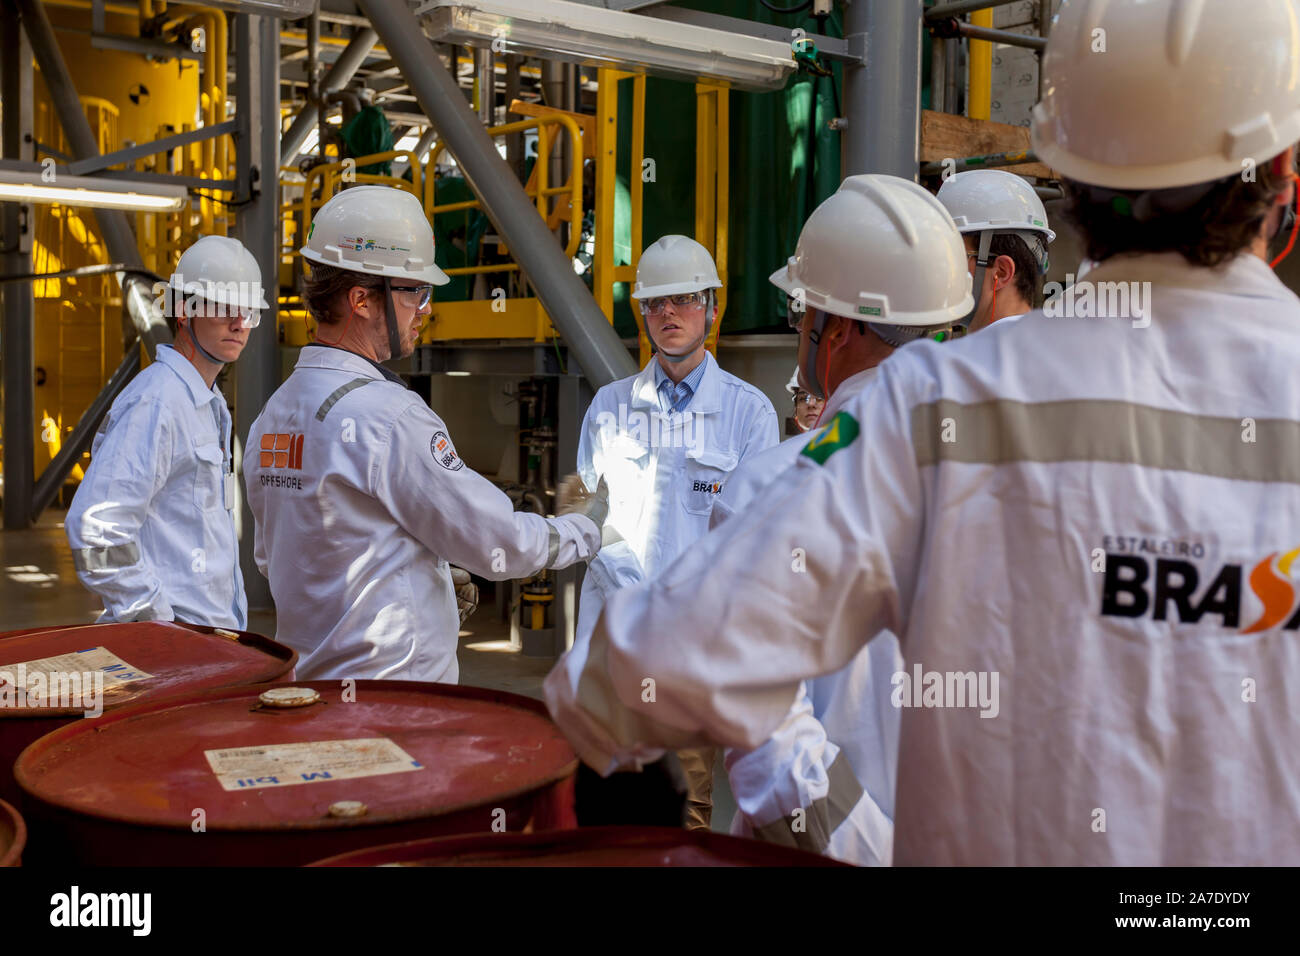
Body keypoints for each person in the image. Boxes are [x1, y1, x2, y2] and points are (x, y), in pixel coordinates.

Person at [545, 0, 1300, 865]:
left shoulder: (924, 413)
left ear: (1068, 175)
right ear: (1284, 177)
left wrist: (598, 723)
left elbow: (668, 655)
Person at [708, 175, 971, 865]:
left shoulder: (773, 485)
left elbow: (767, 741)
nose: (801, 334)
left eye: (803, 317)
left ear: (838, 329)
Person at [245, 185, 606, 683]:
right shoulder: (390, 417)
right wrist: (584, 530)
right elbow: (497, 541)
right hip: (394, 699)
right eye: (416, 291)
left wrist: (425, 575)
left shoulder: (273, 414)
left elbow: (279, 559)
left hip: (310, 688)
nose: (427, 308)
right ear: (362, 300)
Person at [576, 234, 779, 830]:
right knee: (601, 804)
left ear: (711, 309)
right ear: (642, 314)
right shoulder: (609, 407)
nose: (669, 313)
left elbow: (752, 543)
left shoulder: (748, 413)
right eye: (656, 303)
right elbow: (587, 517)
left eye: (685, 299)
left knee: (683, 809)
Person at [66, 235, 267, 628]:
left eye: (248, 311)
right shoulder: (158, 402)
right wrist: (156, 622)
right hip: (176, 644)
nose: (239, 323)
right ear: (184, 312)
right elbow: (95, 530)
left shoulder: (205, 404)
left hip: (209, 642)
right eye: (224, 306)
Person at [936, 168, 1055, 330]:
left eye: (954, 259)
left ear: (1001, 272)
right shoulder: (1049, 347)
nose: (939, 271)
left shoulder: (973, 354)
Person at [786, 366, 824, 433]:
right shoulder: (789, 444)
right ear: (796, 408)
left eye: (819, 397)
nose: (810, 404)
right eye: (803, 398)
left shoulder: (848, 443)